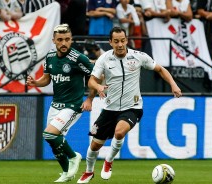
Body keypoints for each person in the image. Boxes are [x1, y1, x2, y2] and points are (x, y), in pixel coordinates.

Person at [77, 26, 182, 183]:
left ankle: (109, 161)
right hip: (109, 108)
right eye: (116, 41)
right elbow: (92, 80)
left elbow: (160, 69)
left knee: (119, 133)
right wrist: (98, 87)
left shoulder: (138, 56)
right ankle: (89, 172)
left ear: (126, 40)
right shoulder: (104, 59)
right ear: (110, 42)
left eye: (123, 41)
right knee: (94, 146)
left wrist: (173, 84)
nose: (120, 44)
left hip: (132, 107)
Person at [26, 24, 95, 183]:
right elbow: (47, 79)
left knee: (49, 134)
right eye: (60, 40)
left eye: (67, 39)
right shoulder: (50, 57)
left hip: (72, 106)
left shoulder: (79, 58)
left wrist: (90, 99)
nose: (64, 43)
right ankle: (65, 172)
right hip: (55, 105)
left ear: (71, 40)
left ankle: (74, 156)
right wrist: (36, 83)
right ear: (54, 41)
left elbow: (95, 77)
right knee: (53, 141)